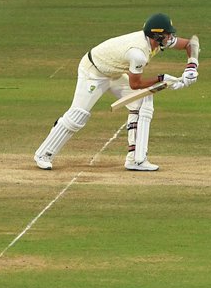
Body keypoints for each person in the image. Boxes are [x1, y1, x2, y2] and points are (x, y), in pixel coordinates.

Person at [34, 14, 200, 172]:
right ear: (157, 36)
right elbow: (136, 84)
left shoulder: (157, 41)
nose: (170, 37)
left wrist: (191, 67)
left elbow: (191, 43)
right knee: (78, 115)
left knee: (142, 101)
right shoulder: (138, 53)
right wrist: (162, 79)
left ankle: (136, 160)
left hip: (113, 72)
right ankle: (43, 154)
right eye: (167, 34)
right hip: (93, 71)